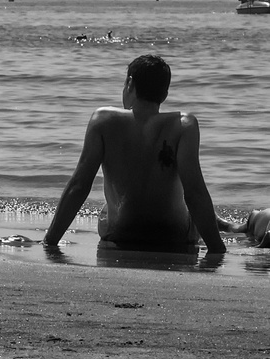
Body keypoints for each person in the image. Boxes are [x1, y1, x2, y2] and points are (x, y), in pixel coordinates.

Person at [43, 54, 225, 254]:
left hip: (120, 234)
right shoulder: (184, 125)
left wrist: (50, 241)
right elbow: (195, 193)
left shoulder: (102, 120)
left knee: (106, 210)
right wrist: (217, 250)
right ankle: (227, 226)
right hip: (174, 235)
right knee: (189, 210)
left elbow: (79, 186)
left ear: (129, 83)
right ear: (164, 94)